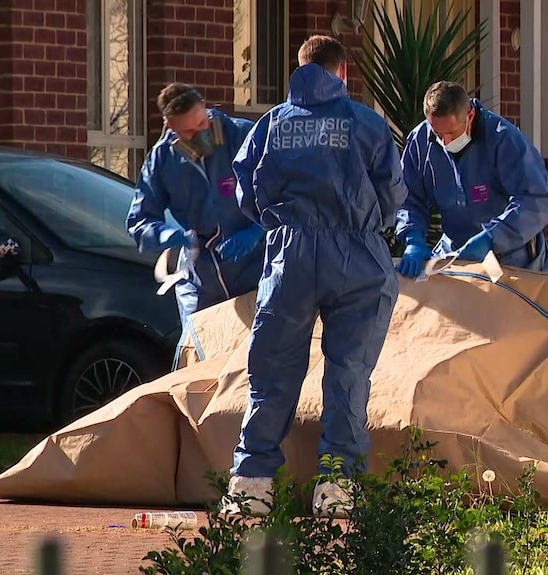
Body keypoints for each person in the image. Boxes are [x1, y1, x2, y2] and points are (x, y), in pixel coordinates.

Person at [226, 35, 407, 517]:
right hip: (357, 256)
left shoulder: (270, 125)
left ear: (300, 68)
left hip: (291, 255)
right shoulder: (366, 123)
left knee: (272, 369)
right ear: (342, 72)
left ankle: (251, 483)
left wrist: (280, 224)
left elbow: (245, 187)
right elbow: (392, 193)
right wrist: (365, 225)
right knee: (348, 371)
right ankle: (336, 486)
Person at [127, 83, 265, 347]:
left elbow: (283, 194)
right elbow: (139, 221)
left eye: (203, 123)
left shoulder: (241, 136)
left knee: (257, 356)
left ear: (206, 108)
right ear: (171, 127)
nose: (201, 134)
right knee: (202, 355)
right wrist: (171, 235)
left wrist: (258, 229)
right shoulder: (163, 160)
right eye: (190, 131)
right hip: (201, 279)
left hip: (253, 270)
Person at [395, 81, 548, 278]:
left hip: (513, 258)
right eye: (438, 134)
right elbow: (407, 197)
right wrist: (413, 239)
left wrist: (491, 237)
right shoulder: (420, 141)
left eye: (452, 133)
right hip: (455, 254)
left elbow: (534, 201)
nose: (445, 142)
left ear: (469, 116)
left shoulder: (503, 139)